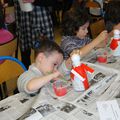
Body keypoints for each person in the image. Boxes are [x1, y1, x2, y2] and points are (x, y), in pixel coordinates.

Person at [13, 0, 54, 69]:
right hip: (24, 21)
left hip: (41, 21)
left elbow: (53, 3)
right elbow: (16, 7)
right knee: (25, 53)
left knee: (46, 52)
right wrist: (18, 26)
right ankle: (26, 74)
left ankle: (47, 75)